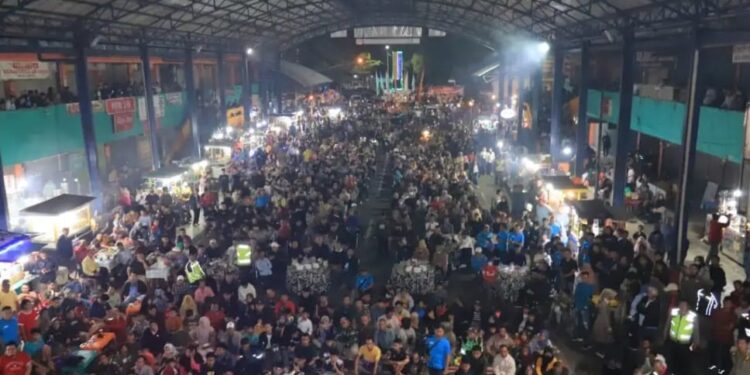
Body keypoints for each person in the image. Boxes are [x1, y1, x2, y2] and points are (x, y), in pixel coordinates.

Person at [666, 300, 698, 375]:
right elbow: (668, 323)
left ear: (688, 306)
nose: (682, 306)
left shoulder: (692, 316)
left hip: (685, 344)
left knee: (683, 361)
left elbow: (696, 330)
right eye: (680, 304)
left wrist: (696, 342)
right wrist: (665, 334)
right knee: (672, 359)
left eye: (684, 305)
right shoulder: (674, 312)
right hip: (673, 341)